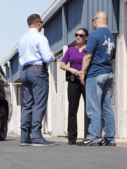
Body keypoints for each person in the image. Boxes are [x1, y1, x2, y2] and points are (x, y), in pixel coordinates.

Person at [79, 11, 116, 146]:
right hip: (108, 73)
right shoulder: (112, 37)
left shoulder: (94, 35)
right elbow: (112, 60)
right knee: (107, 107)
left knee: (93, 106)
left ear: (96, 20)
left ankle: (93, 137)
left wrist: (82, 72)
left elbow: (88, 56)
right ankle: (110, 138)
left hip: (95, 74)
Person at [18, 14, 56, 146]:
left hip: (24, 71)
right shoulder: (40, 38)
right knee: (39, 103)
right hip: (37, 71)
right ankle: (36, 136)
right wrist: (52, 56)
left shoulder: (22, 39)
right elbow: (46, 58)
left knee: (27, 104)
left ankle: (24, 137)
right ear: (38, 23)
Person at [60, 28, 90, 145]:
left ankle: (89, 136)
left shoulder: (89, 49)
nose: (78, 37)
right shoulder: (70, 50)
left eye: (81, 35)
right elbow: (62, 64)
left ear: (86, 37)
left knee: (89, 109)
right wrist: (71, 69)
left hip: (86, 81)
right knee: (72, 109)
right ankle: (72, 138)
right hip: (73, 82)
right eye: (76, 35)